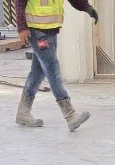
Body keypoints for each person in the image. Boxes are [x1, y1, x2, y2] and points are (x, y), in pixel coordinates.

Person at [12, 0, 94, 132]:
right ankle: (70, 115)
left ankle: (23, 112)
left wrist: (87, 8)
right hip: (37, 31)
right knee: (52, 70)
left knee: (37, 72)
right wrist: (22, 27)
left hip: (51, 31)